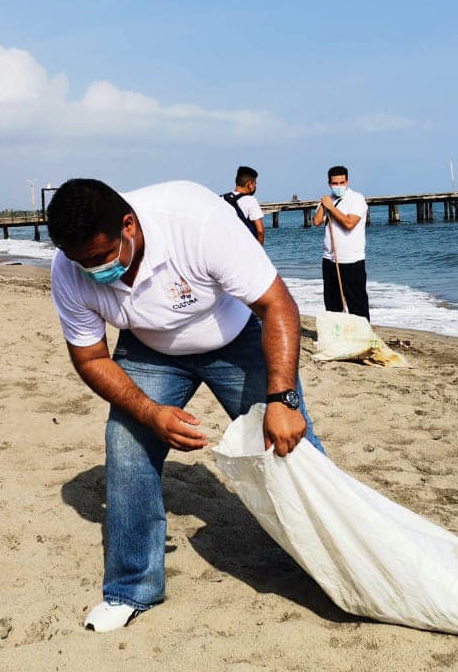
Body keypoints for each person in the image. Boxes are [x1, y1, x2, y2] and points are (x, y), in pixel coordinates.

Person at [47, 179, 323, 633]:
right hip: (148, 350)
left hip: (235, 340)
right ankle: (132, 588)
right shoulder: (70, 268)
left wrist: (282, 399)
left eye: (100, 258)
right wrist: (150, 413)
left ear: (128, 226)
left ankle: (328, 564)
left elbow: (278, 306)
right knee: (126, 444)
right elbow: (91, 357)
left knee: (293, 445)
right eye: (81, 263)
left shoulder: (195, 220)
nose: (93, 271)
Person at [313, 166, 369, 319]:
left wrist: (331, 208)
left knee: (357, 303)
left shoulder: (356, 199)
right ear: (329, 184)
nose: (338, 186)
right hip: (329, 259)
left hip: (351, 260)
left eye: (341, 182)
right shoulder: (328, 200)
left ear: (347, 181)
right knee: (332, 303)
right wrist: (324, 206)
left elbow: (349, 223)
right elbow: (317, 221)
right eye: (335, 183)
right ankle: (337, 337)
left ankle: (362, 336)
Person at [220, 165, 265, 245]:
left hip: (226, 246)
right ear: (249, 184)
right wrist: (259, 251)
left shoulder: (222, 198)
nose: (255, 186)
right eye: (255, 183)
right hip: (245, 248)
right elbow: (260, 231)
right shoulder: (250, 200)